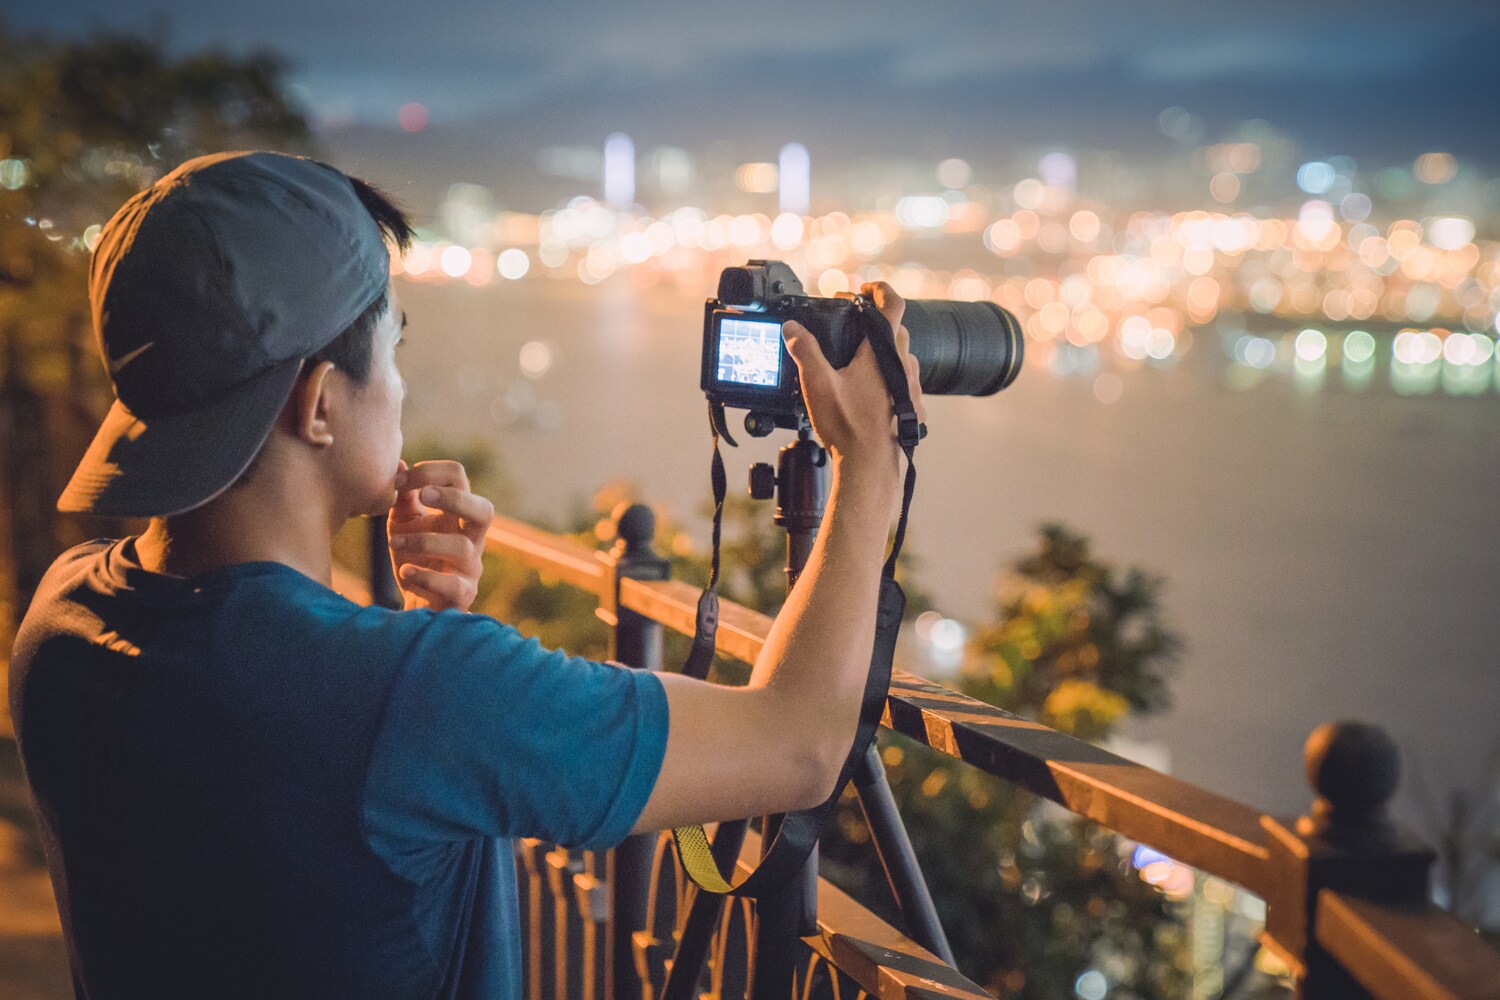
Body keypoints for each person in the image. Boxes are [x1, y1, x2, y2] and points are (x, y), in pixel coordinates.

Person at [7, 151, 923, 998]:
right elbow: (799, 747)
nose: (401, 385)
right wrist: (874, 459)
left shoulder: (56, 624)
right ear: (319, 404)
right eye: (393, 348)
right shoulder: (415, 698)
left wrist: (413, 634)